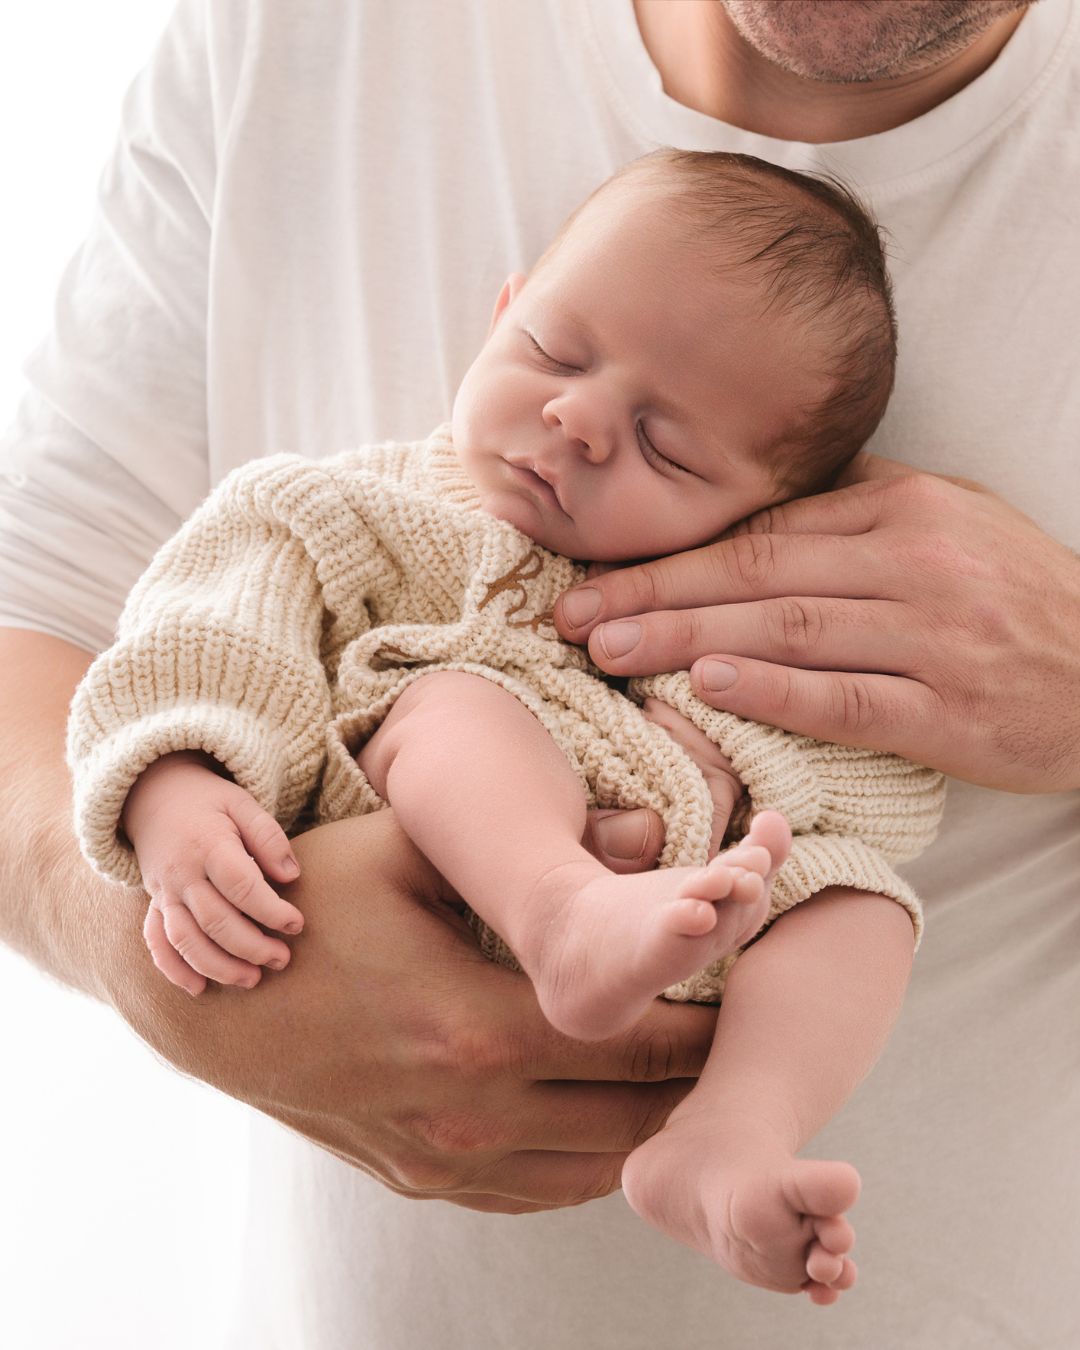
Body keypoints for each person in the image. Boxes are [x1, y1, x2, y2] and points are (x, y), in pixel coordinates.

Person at [1, 0, 1077, 1345]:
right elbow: (185, 623)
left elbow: (848, 801)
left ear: (772, 505)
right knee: (455, 704)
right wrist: (166, 846)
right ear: (507, 308)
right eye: (553, 358)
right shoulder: (381, 505)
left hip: (960, 1291)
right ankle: (564, 906)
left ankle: (734, 1128)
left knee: (858, 902)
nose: (573, 420)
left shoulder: (755, 605)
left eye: (670, 454)